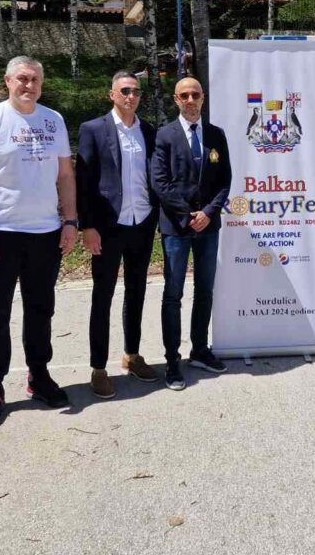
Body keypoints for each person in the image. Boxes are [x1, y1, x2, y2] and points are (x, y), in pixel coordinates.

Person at [0, 56, 77, 428]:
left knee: (41, 310)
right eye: (22, 79)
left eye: (35, 79)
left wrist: (70, 220)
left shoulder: (53, 120)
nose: (29, 85)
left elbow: (65, 175)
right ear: (7, 81)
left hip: (45, 234)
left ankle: (38, 376)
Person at [76, 71, 160, 399]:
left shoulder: (149, 131)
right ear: (111, 94)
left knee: (136, 292)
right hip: (107, 227)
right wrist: (87, 226)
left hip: (142, 224)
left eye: (136, 91)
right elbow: (83, 182)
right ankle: (98, 368)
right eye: (125, 90)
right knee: (103, 296)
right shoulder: (93, 129)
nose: (131, 96)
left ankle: (132, 355)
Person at [150, 77, 232, 391]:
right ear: (176, 99)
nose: (190, 100)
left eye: (194, 94)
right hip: (176, 227)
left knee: (205, 290)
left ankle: (199, 350)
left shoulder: (216, 134)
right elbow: (160, 182)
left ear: (202, 98)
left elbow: (225, 180)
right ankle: (172, 361)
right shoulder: (164, 135)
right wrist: (188, 215)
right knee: (173, 294)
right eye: (183, 95)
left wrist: (208, 213)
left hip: (208, 226)